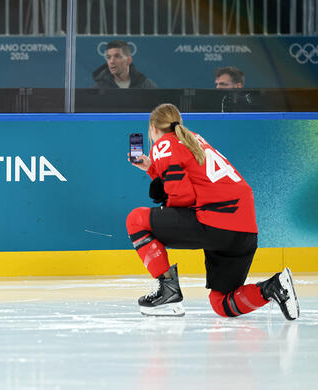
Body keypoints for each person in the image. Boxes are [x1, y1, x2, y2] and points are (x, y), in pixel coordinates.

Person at [125, 103, 299, 320]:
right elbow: (193, 180)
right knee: (221, 303)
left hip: (215, 224)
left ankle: (168, 289)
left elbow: (183, 196)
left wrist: (165, 210)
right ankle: (273, 287)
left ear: (153, 127)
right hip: (244, 232)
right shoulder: (194, 139)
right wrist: (152, 168)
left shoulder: (162, 145)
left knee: (136, 220)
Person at [92, 40, 157, 89]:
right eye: (109, 57)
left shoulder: (146, 85)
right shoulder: (99, 87)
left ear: (129, 60)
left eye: (117, 56)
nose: (112, 61)